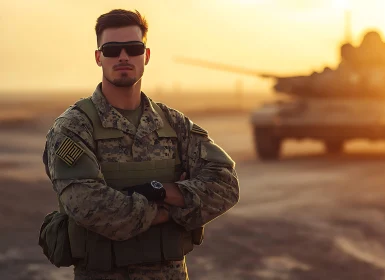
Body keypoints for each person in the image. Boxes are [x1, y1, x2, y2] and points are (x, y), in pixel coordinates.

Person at [40, 9, 240, 280]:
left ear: (145, 56)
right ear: (99, 57)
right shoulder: (74, 127)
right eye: (112, 50)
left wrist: (158, 191)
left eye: (133, 48)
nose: (123, 56)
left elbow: (225, 185)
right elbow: (89, 206)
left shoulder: (174, 124)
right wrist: (169, 209)